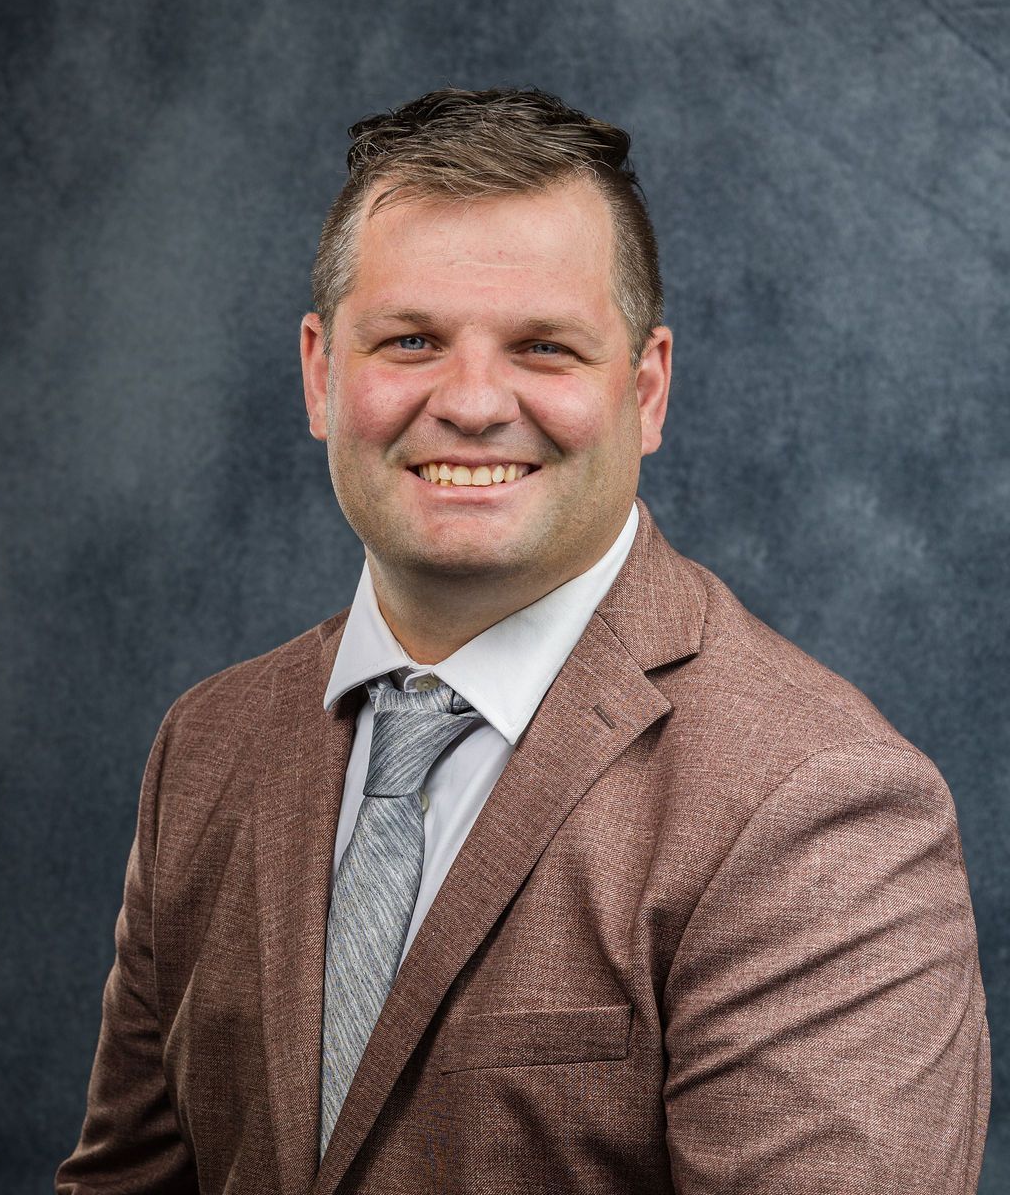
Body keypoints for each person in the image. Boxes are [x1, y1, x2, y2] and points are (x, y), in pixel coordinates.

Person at [56, 86, 990, 1194]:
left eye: (544, 346)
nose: (470, 401)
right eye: (410, 339)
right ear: (320, 374)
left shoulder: (815, 799)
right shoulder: (206, 744)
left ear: (644, 391)